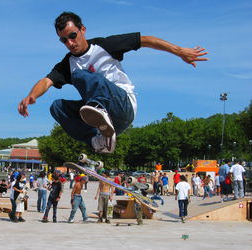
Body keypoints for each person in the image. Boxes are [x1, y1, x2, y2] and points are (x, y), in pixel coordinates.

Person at [18, 11, 208, 153]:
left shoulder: (105, 45)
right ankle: (98, 141)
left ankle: (100, 112)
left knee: (81, 76)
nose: (70, 43)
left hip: (122, 106)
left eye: (73, 36)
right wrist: (31, 96)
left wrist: (179, 51)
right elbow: (47, 80)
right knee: (57, 107)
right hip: (103, 119)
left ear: (82, 30)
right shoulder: (68, 62)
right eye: (64, 41)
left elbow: (145, 40)